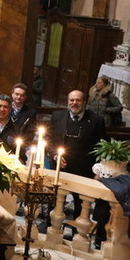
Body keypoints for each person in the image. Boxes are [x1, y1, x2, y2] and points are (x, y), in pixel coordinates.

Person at [49, 90, 107, 229]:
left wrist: (99, 170)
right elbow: (50, 140)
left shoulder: (96, 120)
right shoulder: (57, 116)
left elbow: (102, 146)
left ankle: (76, 232)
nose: (74, 103)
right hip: (60, 167)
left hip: (84, 169)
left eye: (78, 100)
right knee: (54, 201)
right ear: (68, 102)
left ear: (84, 102)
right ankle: (50, 227)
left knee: (80, 205)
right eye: (72, 100)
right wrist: (55, 155)